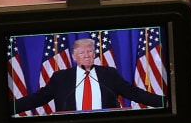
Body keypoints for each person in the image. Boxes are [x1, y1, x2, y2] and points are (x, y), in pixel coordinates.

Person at [13, 37, 164, 113]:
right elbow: (38, 98)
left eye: (89, 52)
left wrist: (167, 103)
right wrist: (10, 109)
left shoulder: (109, 74)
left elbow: (135, 94)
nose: (86, 56)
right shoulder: (61, 78)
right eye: (82, 53)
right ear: (73, 57)